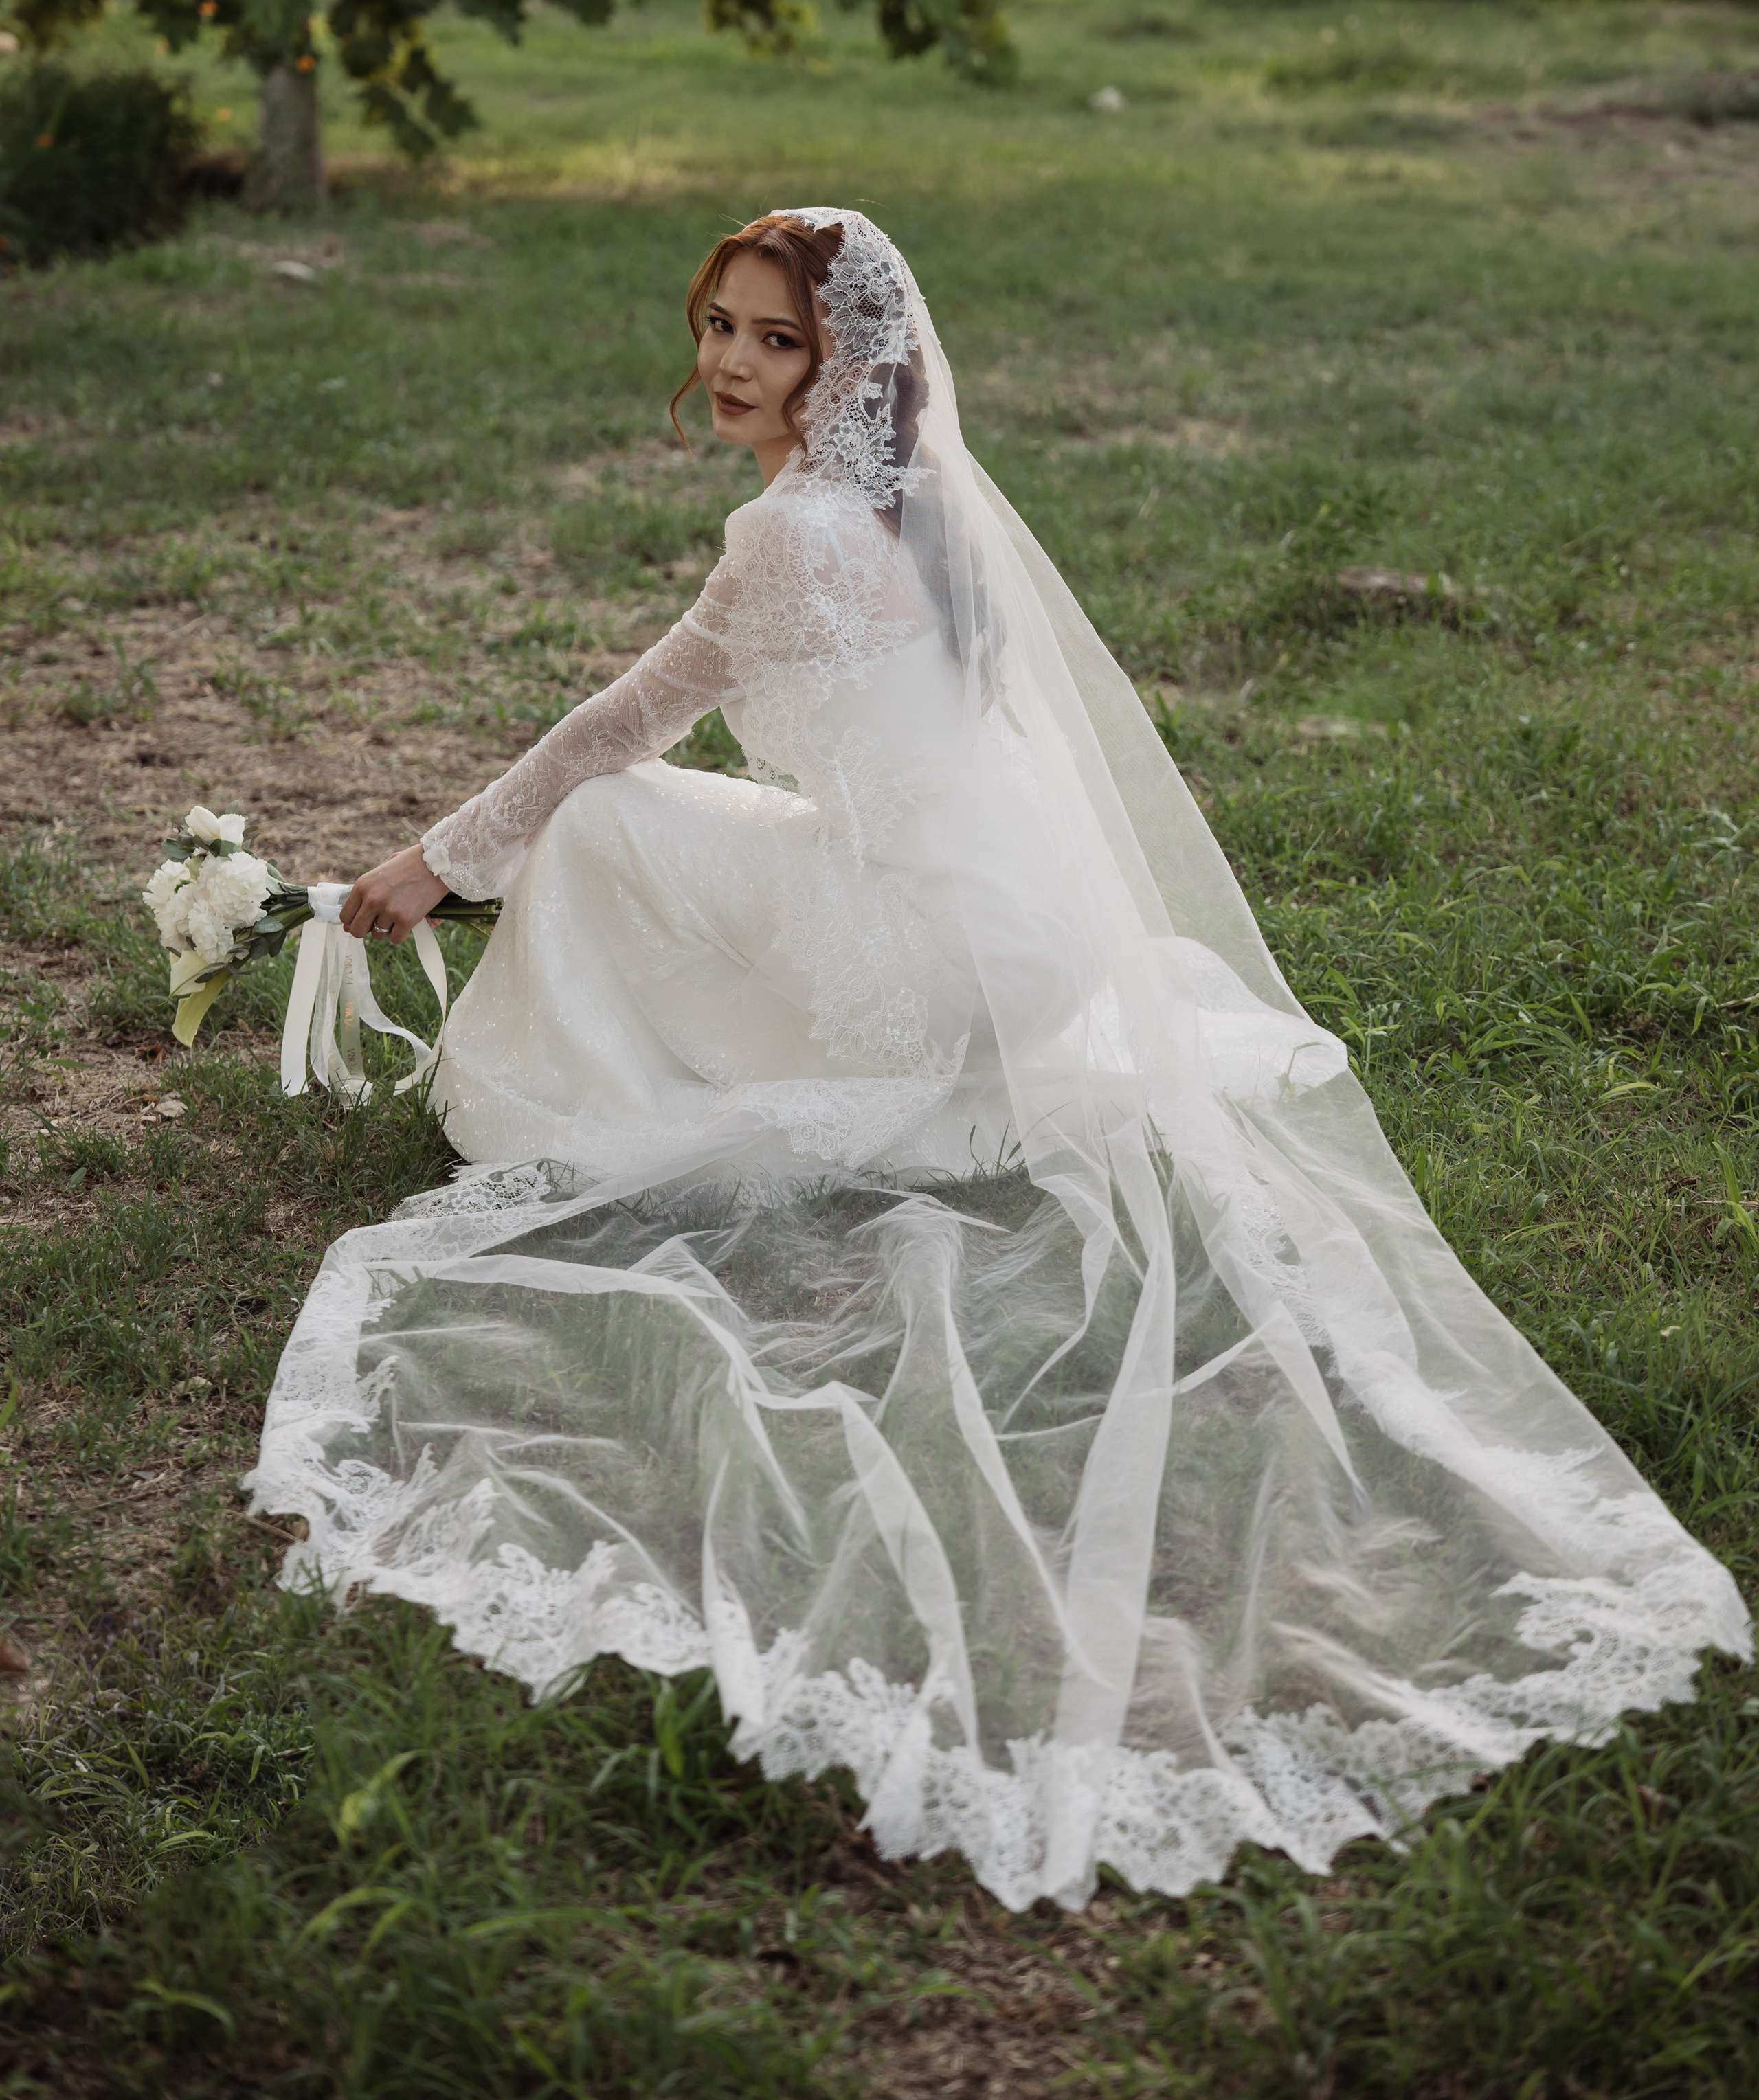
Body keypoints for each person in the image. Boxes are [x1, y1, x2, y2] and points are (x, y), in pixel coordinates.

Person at [252, 209, 1749, 1915]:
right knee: (708, 827)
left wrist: (443, 855)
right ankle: (748, 1050)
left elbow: (622, 720)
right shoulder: (931, 504)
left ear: (851, 366)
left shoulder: (789, 539)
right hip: (1027, 947)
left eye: (775, 340)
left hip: (920, 967)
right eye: (721, 327)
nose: (730, 364)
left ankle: (573, 1107)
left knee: (597, 821)